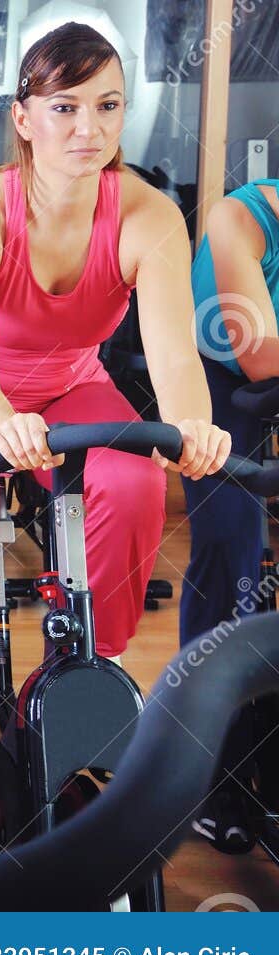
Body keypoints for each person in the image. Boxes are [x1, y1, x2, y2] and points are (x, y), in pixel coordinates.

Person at [0, 23, 232, 873]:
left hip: (70, 389)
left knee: (136, 479)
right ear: (24, 118)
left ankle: (80, 669)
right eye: (66, 107)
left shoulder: (148, 217)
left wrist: (193, 426)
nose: (90, 128)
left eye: (108, 107)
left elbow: (174, 357)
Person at [179, 173, 279, 852]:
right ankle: (205, 773)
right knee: (234, 551)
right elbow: (261, 356)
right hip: (219, 385)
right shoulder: (238, 220)